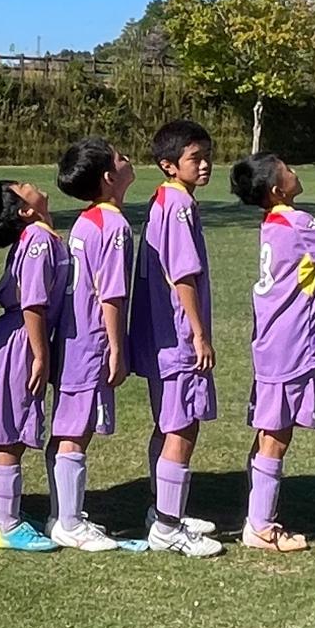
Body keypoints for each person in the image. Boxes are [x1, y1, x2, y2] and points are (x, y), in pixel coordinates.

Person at [229, 152, 315, 553]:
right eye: (288, 170)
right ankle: (260, 526)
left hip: (273, 341)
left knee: (269, 430)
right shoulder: (298, 222)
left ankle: (257, 516)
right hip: (290, 343)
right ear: (278, 189)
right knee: (277, 434)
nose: (295, 172)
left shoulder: (279, 221)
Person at [129, 119, 223, 557]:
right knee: (183, 425)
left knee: (168, 422)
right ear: (169, 164)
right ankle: (168, 526)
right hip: (179, 335)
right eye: (195, 158)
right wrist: (199, 334)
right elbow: (183, 274)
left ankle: (162, 510)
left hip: (158, 334)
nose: (205, 165)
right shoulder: (179, 204)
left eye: (207, 156)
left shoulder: (162, 199)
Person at [49, 137, 146, 552]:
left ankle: (62, 514)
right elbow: (111, 294)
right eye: (121, 158)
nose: (128, 160)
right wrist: (117, 348)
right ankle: (69, 522)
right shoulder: (114, 226)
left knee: (69, 425)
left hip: (71, 337)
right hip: (90, 340)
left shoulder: (86, 221)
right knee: (77, 430)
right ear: (109, 176)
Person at [0, 178, 67, 552]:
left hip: (16, 337)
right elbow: (33, 303)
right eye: (24, 186)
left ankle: (0, 513)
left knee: (5, 431)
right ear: (25, 210)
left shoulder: (39, 236)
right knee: (9, 434)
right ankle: (8, 525)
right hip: (21, 341)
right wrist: (40, 354)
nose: (33, 184)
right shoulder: (38, 240)